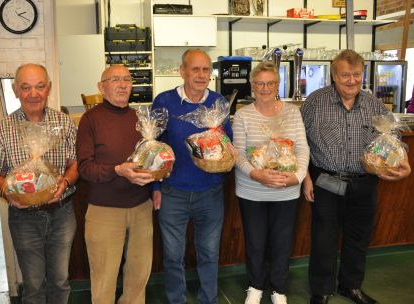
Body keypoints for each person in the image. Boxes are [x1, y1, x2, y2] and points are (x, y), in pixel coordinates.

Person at [301, 49, 411, 304]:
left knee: (358, 238)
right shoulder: (315, 102)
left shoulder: (374, 104)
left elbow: (392, 138)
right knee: (324, 240)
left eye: (356, 75)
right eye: (345, 75)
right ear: (334, 75)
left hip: (364, 183)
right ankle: (321, 290)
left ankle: (350, 286)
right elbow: (300, 142)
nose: (351, 80)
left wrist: (403, 162)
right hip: (326, 182)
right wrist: (306, 178)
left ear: (363, 74)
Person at [0, 63, 78, 303]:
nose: (33, 94)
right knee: (33, 285)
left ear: (49, 88)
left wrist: (65, 182)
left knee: (60, 281)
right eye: (26, 87)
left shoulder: (64, 123)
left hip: (62, 212)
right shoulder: (3, 129)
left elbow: (75, 163)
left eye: (39, 87)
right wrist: (8, 193)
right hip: (24, 217)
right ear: (16, 90)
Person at [151, 49, 233, 304]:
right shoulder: (164, 101)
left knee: (209, 252)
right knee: (173, 255)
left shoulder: (219, 102)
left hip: (210, 191)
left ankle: (208, 299)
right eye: (195, 69)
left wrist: (223, 156)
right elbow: (152, 146)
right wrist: (155, 186)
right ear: (182, 71)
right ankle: (177, 300)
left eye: (205, 69)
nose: (200, 75)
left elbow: (228, 143)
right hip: (172, 192)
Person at [232, 62, 309, 304]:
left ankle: (278, 289)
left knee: (282, 242)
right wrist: (256, 174)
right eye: (260, 83)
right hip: (251, 190)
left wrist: (296, 176)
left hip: (286, 191)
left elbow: (303, 148)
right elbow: (237, 153)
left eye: (270, 83)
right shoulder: (244, 114)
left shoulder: (292, 112)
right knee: (255, 242)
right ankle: (255, 286)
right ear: (252, 86)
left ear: (277, 85)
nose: (265, 88)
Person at [76, 65, 155, 304]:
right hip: (104, 211)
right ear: (102, 87)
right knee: (104, 279)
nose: (122, 85)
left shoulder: (141, 119)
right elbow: (85, 168)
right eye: (114, 80)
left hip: (141, 207)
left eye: (127, 80)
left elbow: (149, 158)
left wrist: (158, 170)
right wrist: (117, 170)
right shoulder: (90, 119)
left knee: (139, 276)